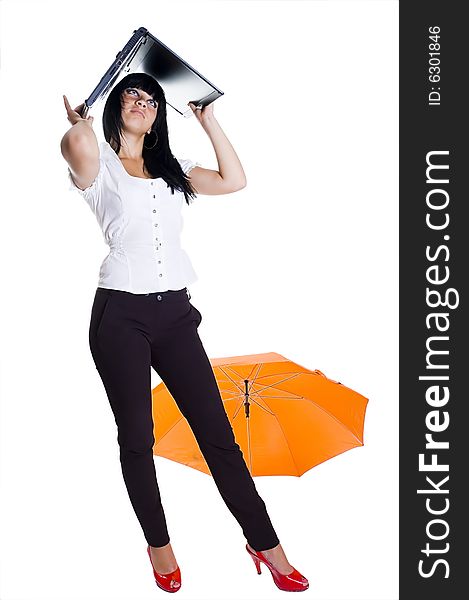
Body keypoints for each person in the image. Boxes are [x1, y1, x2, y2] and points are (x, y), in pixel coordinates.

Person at [60, 72, 308, 593]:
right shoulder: (98, 165)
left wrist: (209, 120)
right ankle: (160, 546)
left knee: (218, 436)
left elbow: (236, 179)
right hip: (119, 317)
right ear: (116, 106)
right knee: (137, 437)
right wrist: (81, 124)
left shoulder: (175, 170)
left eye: (151, 100)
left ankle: (265, 543)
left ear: (157, 116)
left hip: (175, 315)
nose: (141, 103)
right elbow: (73, 145)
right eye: (131, 94)